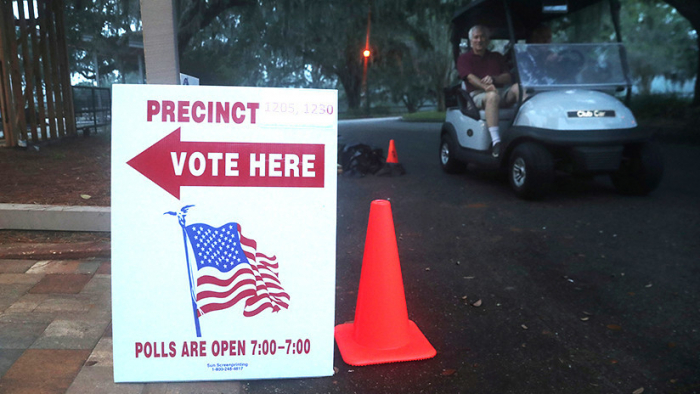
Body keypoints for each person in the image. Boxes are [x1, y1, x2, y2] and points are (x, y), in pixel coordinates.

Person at [457, 25, 520, 158]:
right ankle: (496, 142)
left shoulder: (496, 57)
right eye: (476, 37)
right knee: (492, 96)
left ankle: (525, 130)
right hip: (477, 96)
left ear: (488, 40)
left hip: (499, 92)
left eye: (482, 37)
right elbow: (470, 77)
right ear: (471, 40)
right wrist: (485, 87)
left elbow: (508, 77)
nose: (479, 40)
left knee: (519, 88)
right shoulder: (464, 58)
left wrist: (493, 79)